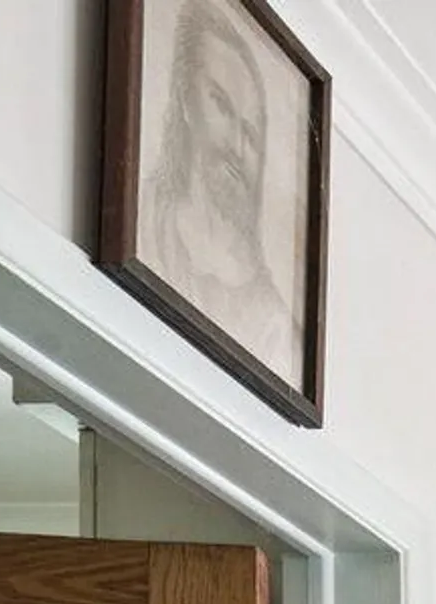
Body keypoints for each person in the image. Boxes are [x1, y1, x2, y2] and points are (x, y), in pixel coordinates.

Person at [146, 0, 298, 372]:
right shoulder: (146, 219)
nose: (237, 145)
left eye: (250, 131)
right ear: (185, 99)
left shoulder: (274, 326)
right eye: (222, 107)